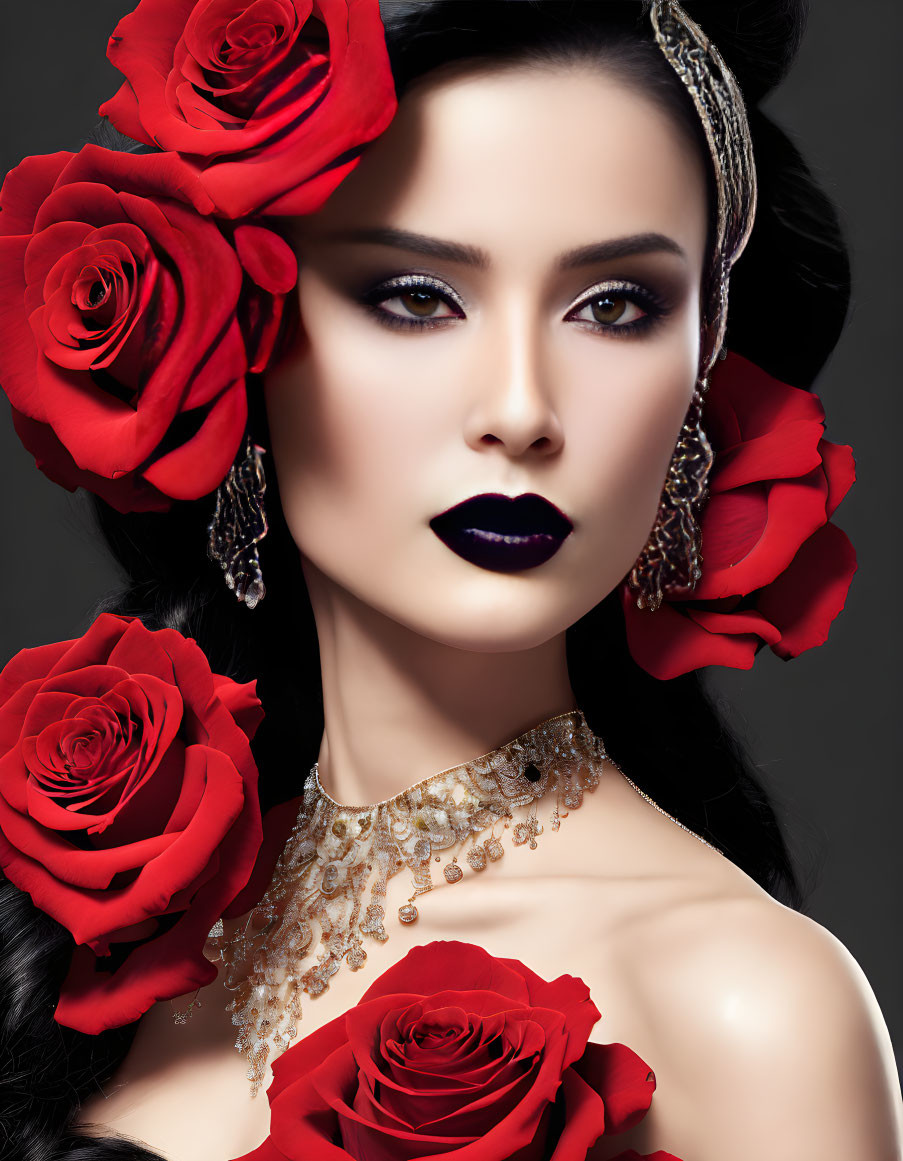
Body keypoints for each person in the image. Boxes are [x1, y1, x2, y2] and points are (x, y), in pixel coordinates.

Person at [0, 2, 899, 1160]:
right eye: (416, 297)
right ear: (241, 339)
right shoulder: (103, 918)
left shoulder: (753, 1010)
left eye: (615, 307)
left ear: (703, 365)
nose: (521, 411)